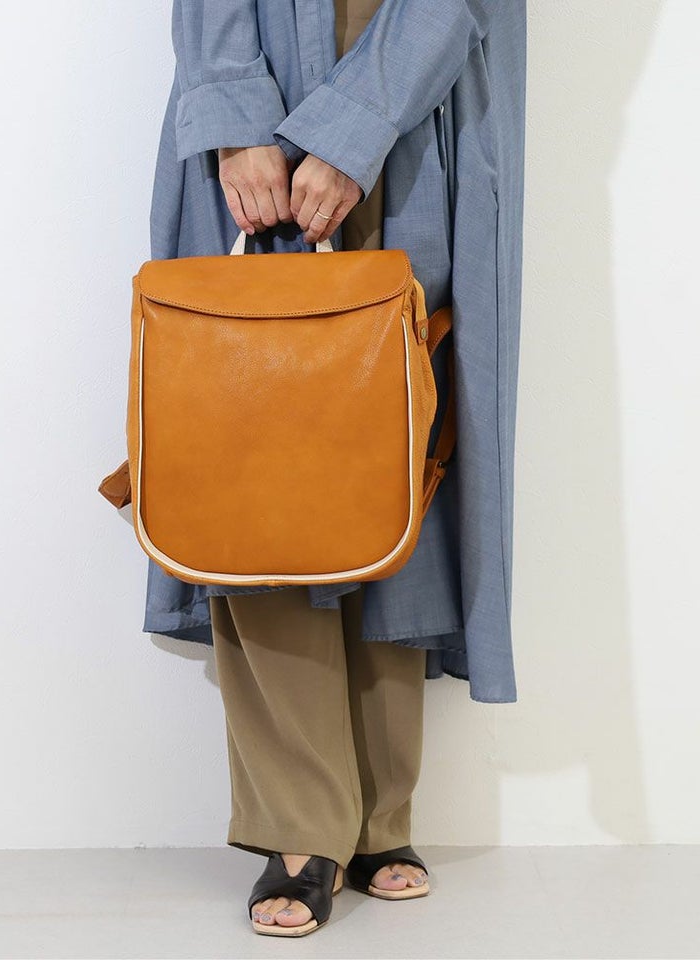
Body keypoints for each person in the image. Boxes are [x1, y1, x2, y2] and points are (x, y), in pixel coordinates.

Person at [141, 0, 527, 938]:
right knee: (257, 447)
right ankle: (301, 822)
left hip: (429, 87)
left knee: (398, 443)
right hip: (264, 69)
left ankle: (378, 811)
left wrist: (361, 121)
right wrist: (235, 116)